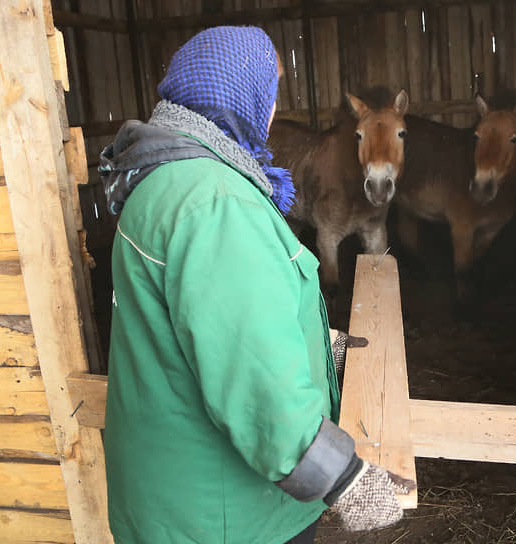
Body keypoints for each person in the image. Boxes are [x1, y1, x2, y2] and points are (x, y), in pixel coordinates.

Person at [100, 26, 413, 544]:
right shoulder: (216, 201)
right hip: (227, 515)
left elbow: (208, 322)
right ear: (239, 95)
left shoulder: (165, 181)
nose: (271, 113)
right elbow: (254, 374)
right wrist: (343, 478)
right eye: (269, 94)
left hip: (177, 496)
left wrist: (315, 345)